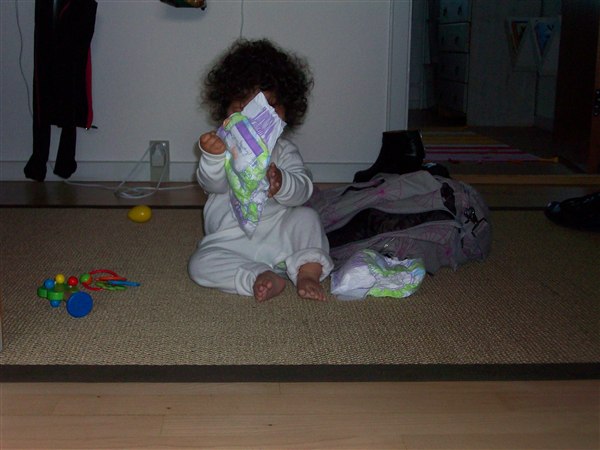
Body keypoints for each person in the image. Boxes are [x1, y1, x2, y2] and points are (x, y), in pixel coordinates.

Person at [188, 39, 333, 302]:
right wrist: (212, 156)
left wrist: (283, 182)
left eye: (266, 109)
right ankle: (259, 275)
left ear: (286, 111)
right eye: (242, 109)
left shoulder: (284, 150)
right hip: (230, 240)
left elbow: (303, 189)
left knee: (307, 218)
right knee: (199, 265)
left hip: (279, 234)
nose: (254, 119)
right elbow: (212, 184)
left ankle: (307, 272)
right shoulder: (225, 145)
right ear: (227, 111)